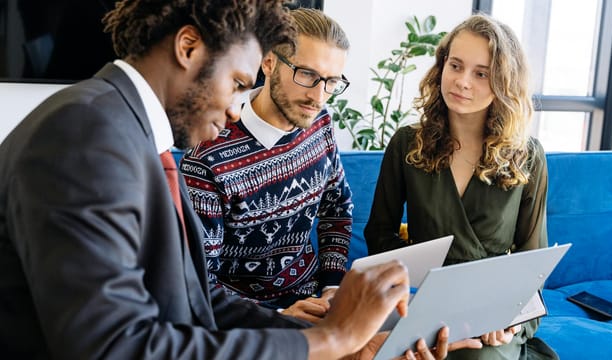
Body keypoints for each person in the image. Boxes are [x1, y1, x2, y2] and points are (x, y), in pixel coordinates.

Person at [0, 1, 468, 359]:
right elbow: (118, 346)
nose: (233, 110)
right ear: (188, 48)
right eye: (238, 83)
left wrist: (338, 345)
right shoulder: (85, 135)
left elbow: (197, 300)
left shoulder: (125, 131)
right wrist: (330, 339)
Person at [364, 14, 558, 360]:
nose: (462, 81)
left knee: (477, 357)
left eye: (481, 73)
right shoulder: (407, 143)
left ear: (503, 81)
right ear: (442, 66)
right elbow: (380, 235)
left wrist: (511, 320)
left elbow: (533, 263)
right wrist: (417, 290)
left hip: (492, 316)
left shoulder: (527, 155)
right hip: (425, 305)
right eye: (455, 65)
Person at [181, 8, 352, 323]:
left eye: (331, 82)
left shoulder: (320, 122)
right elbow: (199, 281)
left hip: (316, 305)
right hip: (250, 323)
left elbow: (337, 208)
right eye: (307, 75)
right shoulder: (208, 159)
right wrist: (278, 315)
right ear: (269, 62)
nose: (319, 95)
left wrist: (332, 286)